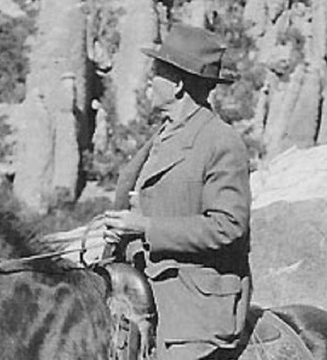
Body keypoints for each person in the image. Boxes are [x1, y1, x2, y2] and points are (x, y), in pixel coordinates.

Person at [101, 24, 252, 360]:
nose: (149, 80)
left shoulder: (220, 141)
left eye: (157, 73)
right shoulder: (164, 136)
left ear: (179, 84)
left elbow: (228, 226)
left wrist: (145, 227)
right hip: (146, 288)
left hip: (193, 306)